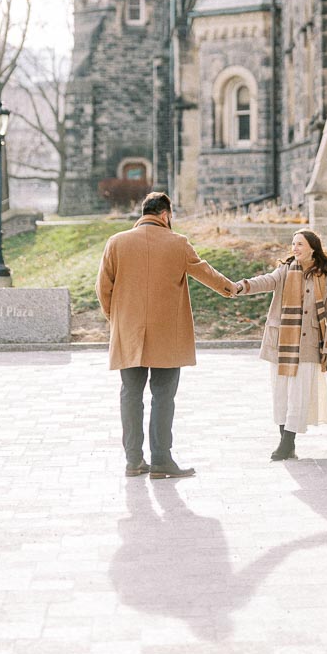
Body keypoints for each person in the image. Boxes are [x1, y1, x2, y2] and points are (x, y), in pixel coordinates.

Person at [96, 191, 238, 479]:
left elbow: (103, 288)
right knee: (163, 397)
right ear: (165, 215)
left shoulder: (117, 242)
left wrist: (117, 319)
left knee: (130, 395)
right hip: (167, 335)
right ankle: (161, 460)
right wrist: (231, 288)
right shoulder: (178, 243)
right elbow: (205, 272)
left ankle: (133, 461)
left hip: (129, 333)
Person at [235, 228, 327, 461]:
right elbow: (266, 281)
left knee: (298, 394)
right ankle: (286, 443)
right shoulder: (284, 269)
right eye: (293, 244)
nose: (295, 248)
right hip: (282, 341)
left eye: (300, 244)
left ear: (312, 247)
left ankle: (287, 442)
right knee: (281, 392)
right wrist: (242, 286)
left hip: (309, 343)